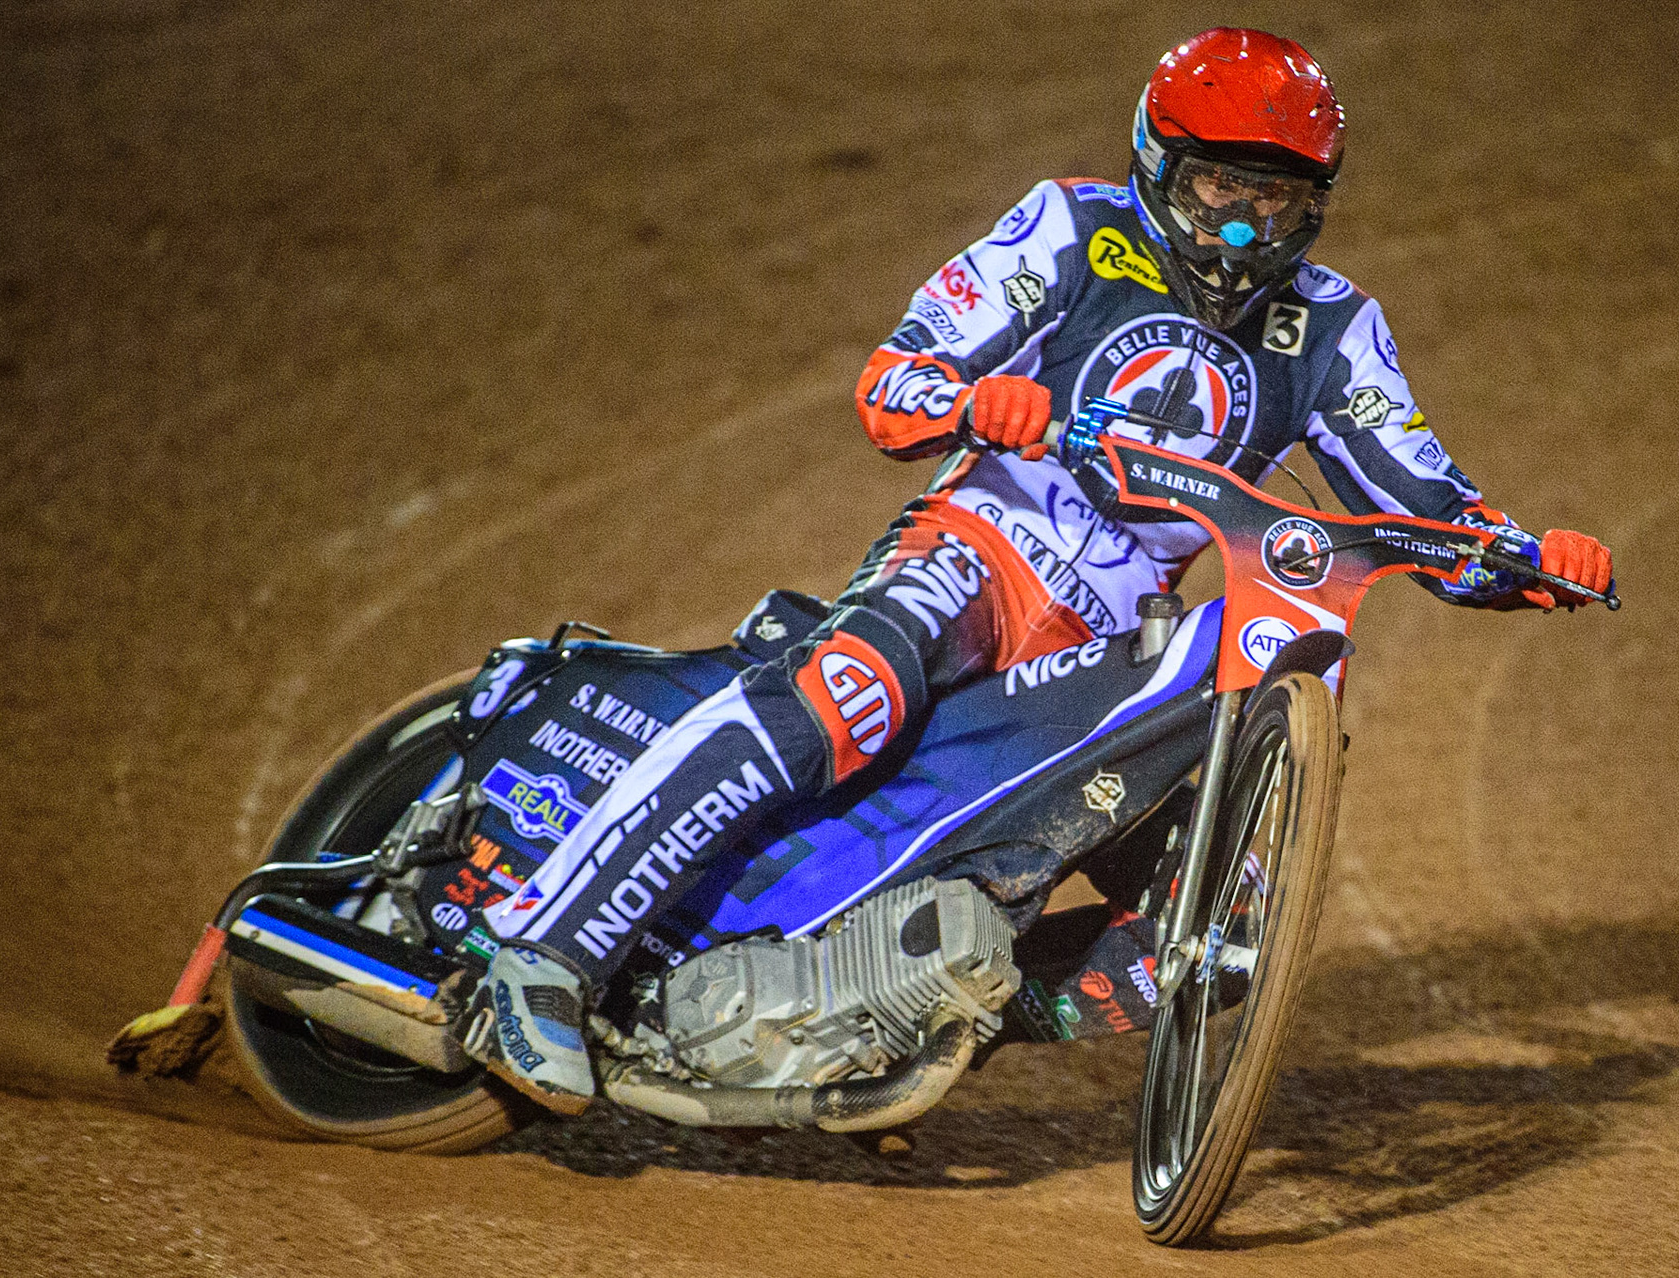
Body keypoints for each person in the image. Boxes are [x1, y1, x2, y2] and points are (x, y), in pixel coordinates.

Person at [458, 27, 1614, 1113]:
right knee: (847, 692)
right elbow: (893, 381)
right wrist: (974, 400)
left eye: (1279, 199)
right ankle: (540, 954)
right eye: (1223, 187)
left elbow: (1425, 499)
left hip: (1110, 644)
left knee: (1188, 900)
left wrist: (1522, 556)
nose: (1248, 228)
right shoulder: (1070, 226)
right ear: (1161, 165)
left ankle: (870, 1017)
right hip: (982, 552)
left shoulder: (1335, 326)